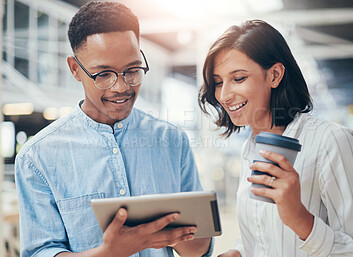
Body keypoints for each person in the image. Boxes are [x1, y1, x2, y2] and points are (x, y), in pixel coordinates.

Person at [15, 2, 213, 257]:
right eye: (104, 74)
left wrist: (171, 234)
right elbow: (40, 251)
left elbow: (199, 248)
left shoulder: (171, 140)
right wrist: (109, 252)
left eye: (132, 70)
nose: (121, 87)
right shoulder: (37, 158)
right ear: (75, 69)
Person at [199, 19, 353, 257]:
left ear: (274, 75)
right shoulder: (250, 149)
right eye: (218, 82)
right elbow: (262, 236)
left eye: (239, 78)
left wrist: (301, 219)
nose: (223, 95)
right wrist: (239, 252)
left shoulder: (332, 142)